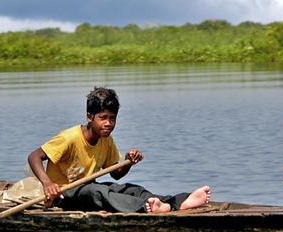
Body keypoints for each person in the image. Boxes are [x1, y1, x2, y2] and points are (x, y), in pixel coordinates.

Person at [28, 87, 211, 214]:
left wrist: (128, 162)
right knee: (97, 193)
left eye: (113, 118)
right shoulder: (69, 138)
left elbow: (116, 175)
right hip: (61, 197)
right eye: (103, 118)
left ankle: (178, 202)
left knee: (130, 189)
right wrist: (47, 183)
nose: (108, 123)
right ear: (90, 117)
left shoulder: (105, 139)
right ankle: (146, 209)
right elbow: (34, 156)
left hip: (86, 191)